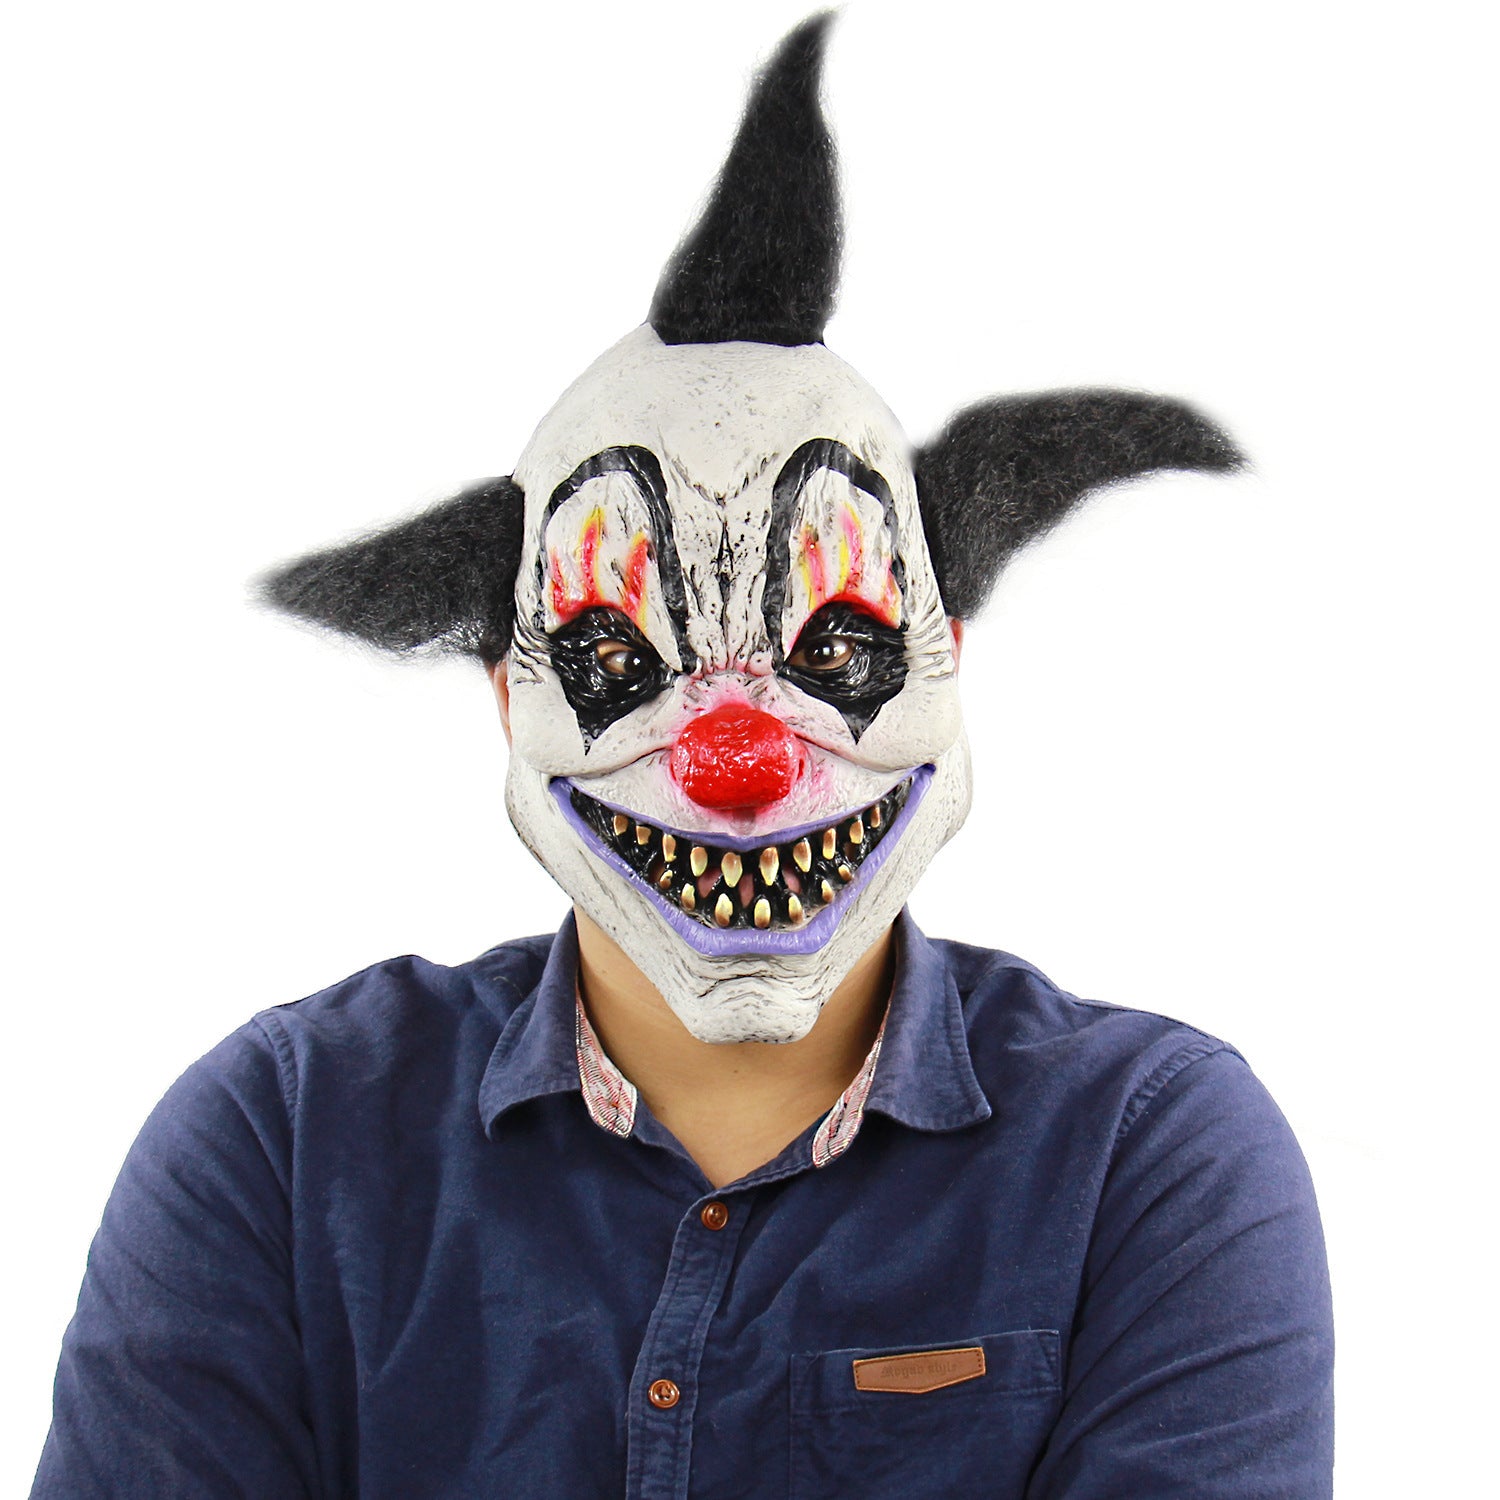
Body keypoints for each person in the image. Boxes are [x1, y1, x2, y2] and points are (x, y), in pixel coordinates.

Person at [31, 17, 1333, 1498]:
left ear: (947, 658)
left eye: (837, 645)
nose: (740, 760)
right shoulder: (277, 1142)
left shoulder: (1153, 1163)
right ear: (506, 695)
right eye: (611, 657)